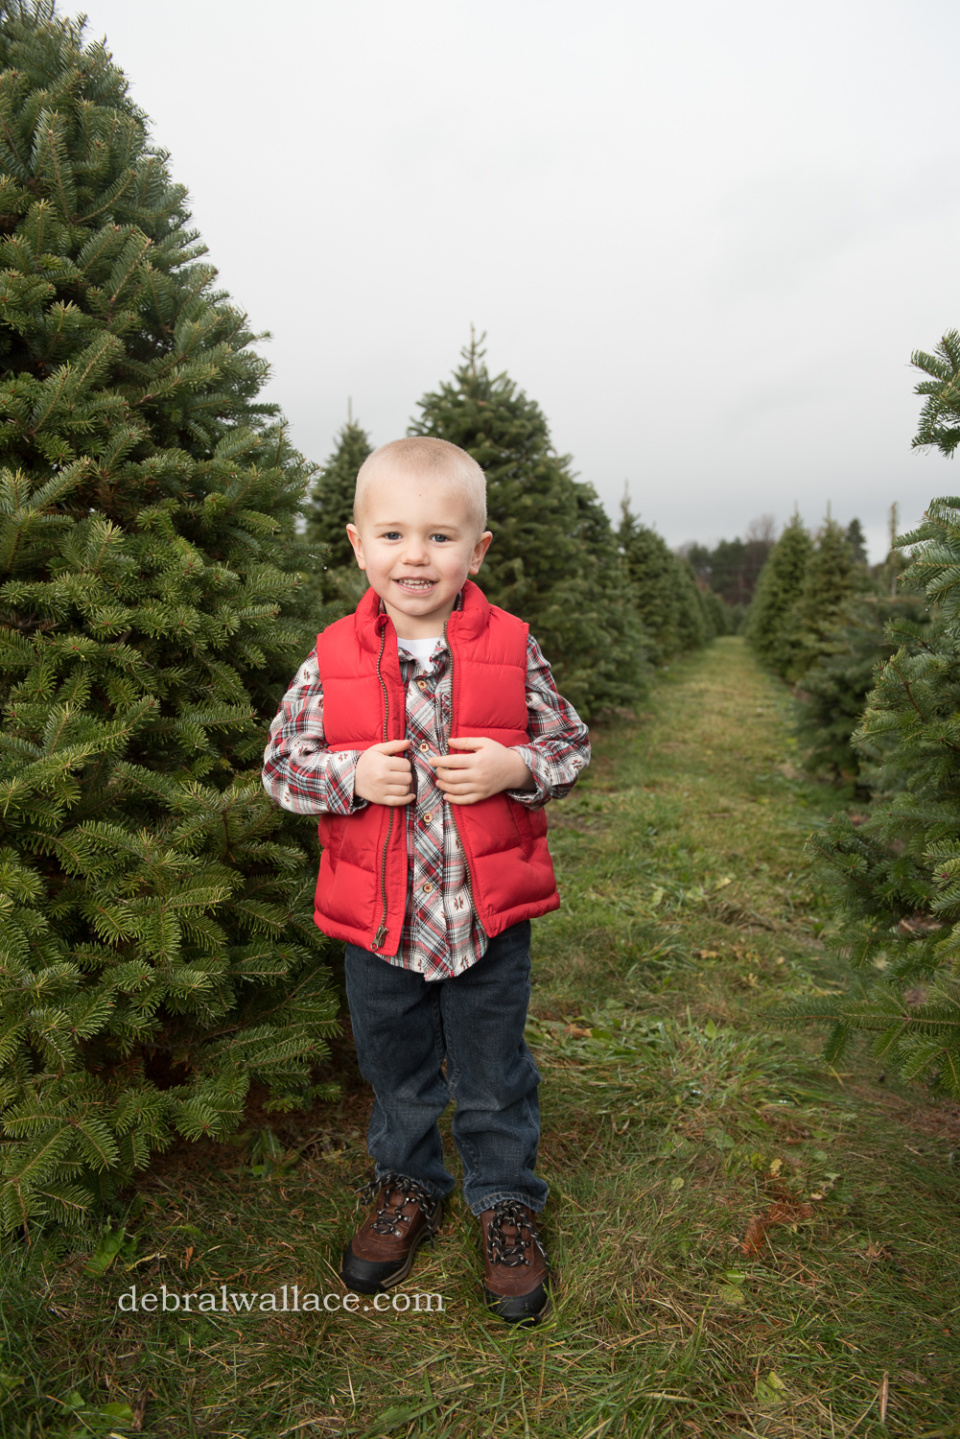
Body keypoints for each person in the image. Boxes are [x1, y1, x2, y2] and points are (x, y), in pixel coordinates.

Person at [262, 437, 590, 1323]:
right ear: (358, 543)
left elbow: (571, 747)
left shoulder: (512, 648)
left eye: (441, 537)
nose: (416, 556)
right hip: (381, 923)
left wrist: (514, 769)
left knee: (492, 1070)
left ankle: (505, 1198)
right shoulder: (329, 659)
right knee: (397, 1067)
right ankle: (408, 1182)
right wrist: (350, 777)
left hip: (486, 920)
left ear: (477, 550)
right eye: (394, 534)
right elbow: (280, 767)